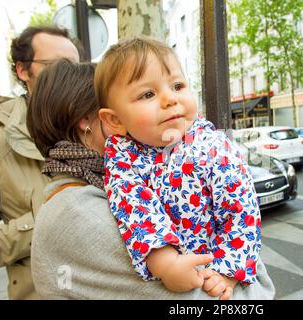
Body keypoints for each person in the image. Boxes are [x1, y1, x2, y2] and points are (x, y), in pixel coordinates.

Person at [26, 58, 274, 299]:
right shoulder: (78, 211)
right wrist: (239, 269)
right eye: (144, 97)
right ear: (89, 121)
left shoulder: (108, 184)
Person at [95, 37, 264, 300]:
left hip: (217, 262)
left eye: (177, 85)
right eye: (148, 94)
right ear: (115, 120)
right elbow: (135, 209)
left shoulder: (211, 144)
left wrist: (227, 270)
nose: (169, 99)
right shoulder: (122, 156)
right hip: (168, 276)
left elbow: (241, 208)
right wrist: (165, 263)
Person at [0, 26, 80, 300]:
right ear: (23, 71)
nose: (68, 76)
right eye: (56, 65)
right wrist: (47, 220)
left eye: (74, 66)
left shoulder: (98, 124)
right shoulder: (1, 137)